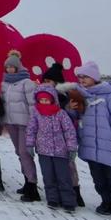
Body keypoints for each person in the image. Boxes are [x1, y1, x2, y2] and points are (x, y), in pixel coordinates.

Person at [73, 61, 111, 220]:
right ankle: (106, 202)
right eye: (80, 77)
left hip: (108, 145)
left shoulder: (108, 95)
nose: (82, 80)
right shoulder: (80, 95)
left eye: (85, 77)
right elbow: (76, 117)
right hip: (90, 145)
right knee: (98, 178)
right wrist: (72, 109)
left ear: (94, 78)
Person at [26, 85, 78, 212]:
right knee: (48, 176)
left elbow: (69, 131)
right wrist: (30, 144)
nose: (43, 102)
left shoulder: (60, 114)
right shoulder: (36, 113)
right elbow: (31, 129)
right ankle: (52, 198)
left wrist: (71, 148)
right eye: (41, 100)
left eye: (46, 100)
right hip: (43, 150)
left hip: (60, 151)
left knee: (63, 177)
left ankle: (68, 200)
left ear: (52, 99)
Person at [0, 52, 40, 202]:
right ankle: (26, 181)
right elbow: (4, 103)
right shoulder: (5, 83)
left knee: (25, 152)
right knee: (19, 152)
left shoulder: (27, 82)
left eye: (12, 67)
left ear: (18, 67)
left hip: (24, 123)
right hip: (11, 122)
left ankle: (32, 185)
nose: (10, 69)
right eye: (7, 67)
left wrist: (33, 124)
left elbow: (32, 104)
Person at [47, 63, 86, 207]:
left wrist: (68, 109)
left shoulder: (67, 96)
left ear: (56, 82)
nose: (47, 84)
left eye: (49, 81)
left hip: (65, 136)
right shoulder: (46, 96)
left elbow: (75, 115)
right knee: (55, 166)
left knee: (69, 165)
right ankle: (60, 192)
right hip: (50, 137)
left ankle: (76, 193)